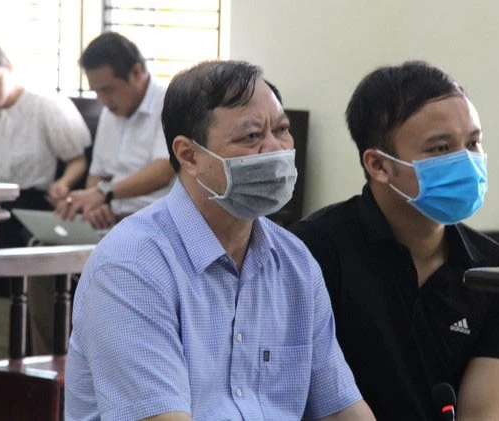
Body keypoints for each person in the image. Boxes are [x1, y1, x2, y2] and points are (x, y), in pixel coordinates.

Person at [65, 60, 375, 420]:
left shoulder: (295, 262)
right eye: (251, 137)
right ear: (189, 155)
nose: (275, 149)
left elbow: (341, 410)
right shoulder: (132, 267)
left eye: (281, 129)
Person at [289, 61, 499, 420]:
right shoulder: (311, 252)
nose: (466, 161)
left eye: (473, 143)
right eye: (440, 148)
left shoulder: (497, 273)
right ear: (378, 165)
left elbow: (483, 414)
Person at [0, 34, 92, 249]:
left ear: (9, 67)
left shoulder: (45, 105)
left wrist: (63, 183)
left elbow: (77, 160)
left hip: (29, 204)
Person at [55, 32, 175, 229]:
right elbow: (97, 174)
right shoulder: (109, 112)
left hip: (159, 223)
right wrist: (95, 206)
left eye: (108, 90)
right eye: (97, 92)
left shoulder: (170, 102)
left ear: (136, 73)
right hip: (116, 222)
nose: (103, 100)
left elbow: (162, 173)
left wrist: (103, 193)